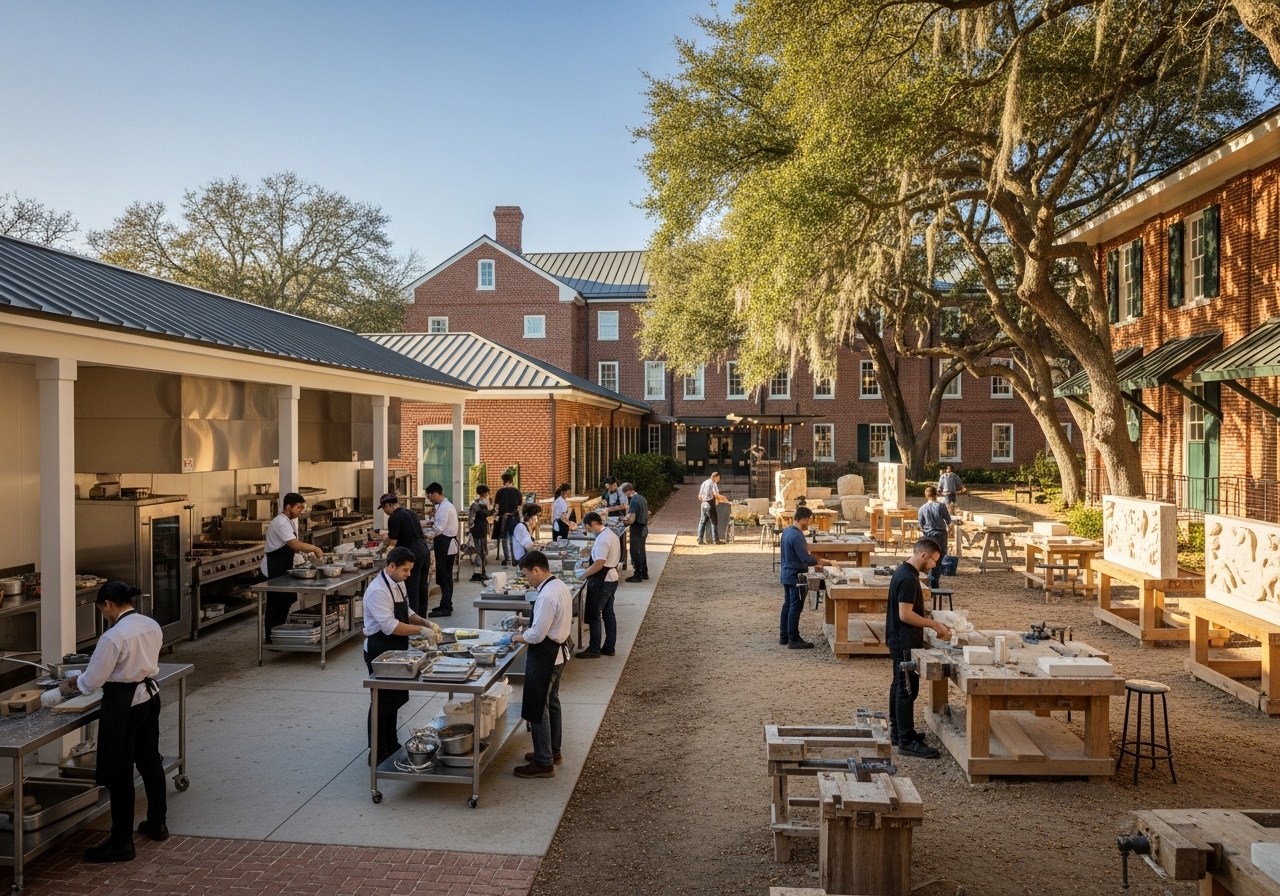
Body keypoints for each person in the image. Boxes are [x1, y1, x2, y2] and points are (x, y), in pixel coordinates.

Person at [59, 581, 166, 863]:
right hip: (149, 697)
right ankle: (157, 824)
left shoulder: (113, 636)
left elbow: (92, 681)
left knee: (119, 774)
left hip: (124, 705)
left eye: (102, 609)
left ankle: (121, 842)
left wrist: (71, 683)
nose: (103, 614)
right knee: (150, 762)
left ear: (108, 604)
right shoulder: (150, 624)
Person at [362, 547, 436, 765]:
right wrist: (421, 632)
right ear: (391, 566)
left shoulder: (398, 582)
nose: (409, 574)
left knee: (393, 700)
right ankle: (375, 750)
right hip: (379, 650)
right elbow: (390, 626)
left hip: (396, 649)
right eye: (405, 570)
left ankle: (390, 742)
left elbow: (406, 610)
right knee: (381, 700)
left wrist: (424, 621)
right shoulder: (378, 591)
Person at [886, 539, 952, 758]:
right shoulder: (908, 578)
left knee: (899, 684)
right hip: (904, 640)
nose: (934, 566)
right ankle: (905, 741)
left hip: (899, 638)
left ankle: (898, 731)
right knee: (907, 689)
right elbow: (905, 614)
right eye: (934, 560)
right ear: (924, 555)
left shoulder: (904, 572)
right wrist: (933, 624)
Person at [511, 550, 573, 777]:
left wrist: (519, 636)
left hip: (548, 654)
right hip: (559, 651)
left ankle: (544, 761)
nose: (527, 578)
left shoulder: (546, 595)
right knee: (552, 701)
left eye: (526, 573)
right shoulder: (559, 586)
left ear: (537, 569)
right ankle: (552, 751)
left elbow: (537, 634)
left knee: (539, 707)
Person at [261, 492, 324, 643]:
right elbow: (294, 544)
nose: (300, 510)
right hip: (273, 567)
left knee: (286, 600)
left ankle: (281, 635)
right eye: (298, 507)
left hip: (282, 566)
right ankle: (272, 638)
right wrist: (314, 549)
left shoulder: (288, 521)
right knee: (276, 604)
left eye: (302, 507)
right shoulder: (280, 522)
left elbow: (292, 546)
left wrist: (303, 557)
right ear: (288, 506)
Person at [779, 506, 834, 650]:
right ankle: (793, 638)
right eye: (808, 520)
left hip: (786, 573)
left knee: (787, 605)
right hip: (796, 576)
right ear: (803, 518)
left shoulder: (786, 531)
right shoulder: (797, 535)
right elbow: (804, 558)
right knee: (795, 607)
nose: (809, 523)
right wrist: (820, 561)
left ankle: (784, 636)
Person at [379, 493, 432, 617]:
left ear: (388, 505)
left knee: (412, 589)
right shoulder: (410, 513)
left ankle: (413, 622)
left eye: (383, 508)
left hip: (412, 555)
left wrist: (384, 552)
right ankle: (422, 619)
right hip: (424, 552)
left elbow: (393, 541)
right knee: (422, 587)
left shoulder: (394, 517)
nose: (384, 511)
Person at [576, 511, 620, 659]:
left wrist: (584, 574)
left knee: (595, 614)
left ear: (594, 523)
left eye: (588, 527)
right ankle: (609, 646)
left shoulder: (602, 540)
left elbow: (599, 563)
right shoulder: (610, 534)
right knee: (608, 613)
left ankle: (594, 648)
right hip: (612, 578)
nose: (587, 530)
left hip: (604, 580)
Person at [424, 482, 459, 618]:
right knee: (445, 576)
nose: (430, 499)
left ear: (436, 493)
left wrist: (425, 534)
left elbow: (438, 529)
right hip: (444, 544)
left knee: (445, 576)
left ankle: (446, 607)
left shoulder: (445, 508)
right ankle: (445, 603)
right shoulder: (443, 506)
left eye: (430, 496)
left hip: (446, 544)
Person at [917, 486, 953, 589]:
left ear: (926, 495)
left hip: (928, 536)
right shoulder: (941, 506)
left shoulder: (922, 508)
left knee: (928, 558)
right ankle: (934, 581)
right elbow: (949, 521)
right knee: (939, 559)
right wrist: (950, 530)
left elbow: (920, 525)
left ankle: (927, 581)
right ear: (936, 494)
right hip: (940, 535)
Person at [621, 482, 649, 583]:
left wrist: (624, 522)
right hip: (644, 527)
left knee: (635, 551)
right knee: (641, 551)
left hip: (637, 528)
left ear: (627, 492)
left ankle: (637, 575)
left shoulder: (633, 501)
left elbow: (632, 518)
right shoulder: (642, 498)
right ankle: (644, 572)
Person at [494, 473, 524, 566]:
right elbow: (520, 505)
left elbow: (496, 507)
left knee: (504, 538)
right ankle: (515, 558)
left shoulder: (499, 492)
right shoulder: (517, 492)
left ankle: (507, 559)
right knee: (514, 538)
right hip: (514, 517)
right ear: (512, 481)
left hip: (504, 517)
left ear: (503, 481)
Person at [467, 484, 494, 582]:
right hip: (479, 531)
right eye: (486, 494)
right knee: (480, 552)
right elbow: (487, 513)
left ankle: (481, 572)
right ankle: (478, 573)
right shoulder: (477, 505)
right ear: (484, 494)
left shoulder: (477, 504)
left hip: (479, 530)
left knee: (482, 552)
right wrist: (494, 510)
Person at [696, 471, 726, 544]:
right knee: (714, 522)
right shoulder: (713, 483)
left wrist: (704, 501)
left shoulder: (704, 483)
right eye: (718, 478)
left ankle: (700, 539)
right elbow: (716, 495)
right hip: (710, 504)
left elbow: (699, 496)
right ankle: (715, 540)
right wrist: (724, 499)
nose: (719, 480)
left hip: (703, 504)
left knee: (702, 522)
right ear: (716, 477)